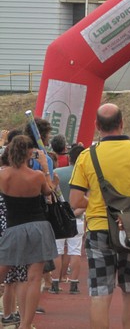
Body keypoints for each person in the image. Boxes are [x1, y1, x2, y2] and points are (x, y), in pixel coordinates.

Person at [69, 103, 130, 329]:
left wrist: (95, 202)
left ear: (97, 126)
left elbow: (74, 200)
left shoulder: (86, 156)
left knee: (100, 292)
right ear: (122, 123)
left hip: (99, 228)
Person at [0, 135, 57, 329]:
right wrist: (46, 169)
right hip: (37, 227)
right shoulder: (37, 175)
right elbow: (49, 192)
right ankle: (25, 325)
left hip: (13, 227)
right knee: (34, 278)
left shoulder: (3, 175)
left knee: (4, 270)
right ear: (29, 152)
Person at [51, 144, 86, 294]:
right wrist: (76, 212)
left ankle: (54, 282)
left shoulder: (57, 172)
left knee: (58, 250)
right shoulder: (85, 175)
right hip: (77, 216)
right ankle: (73, 283)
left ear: (69, 158)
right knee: (75, 251)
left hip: (58, 216)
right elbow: (88, 199)